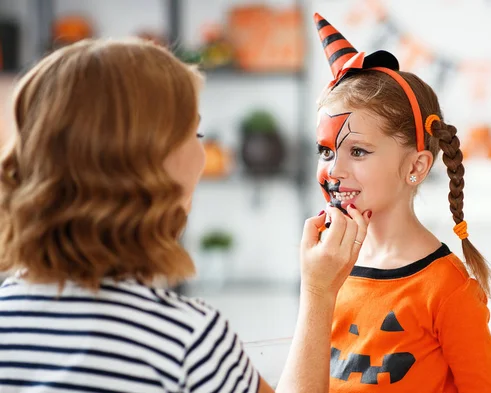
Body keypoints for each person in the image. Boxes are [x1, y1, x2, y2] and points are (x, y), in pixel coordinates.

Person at [0, 38, 370, 393]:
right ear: (150, 168)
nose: (204, 153)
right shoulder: (185, 341)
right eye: (197, 134)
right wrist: (319, 291)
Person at [313, 13, 491, 392]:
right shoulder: (326, 269)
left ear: (416, 166)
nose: (334, 170)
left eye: (359, 151)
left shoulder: (448, 291)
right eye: (325, 150)